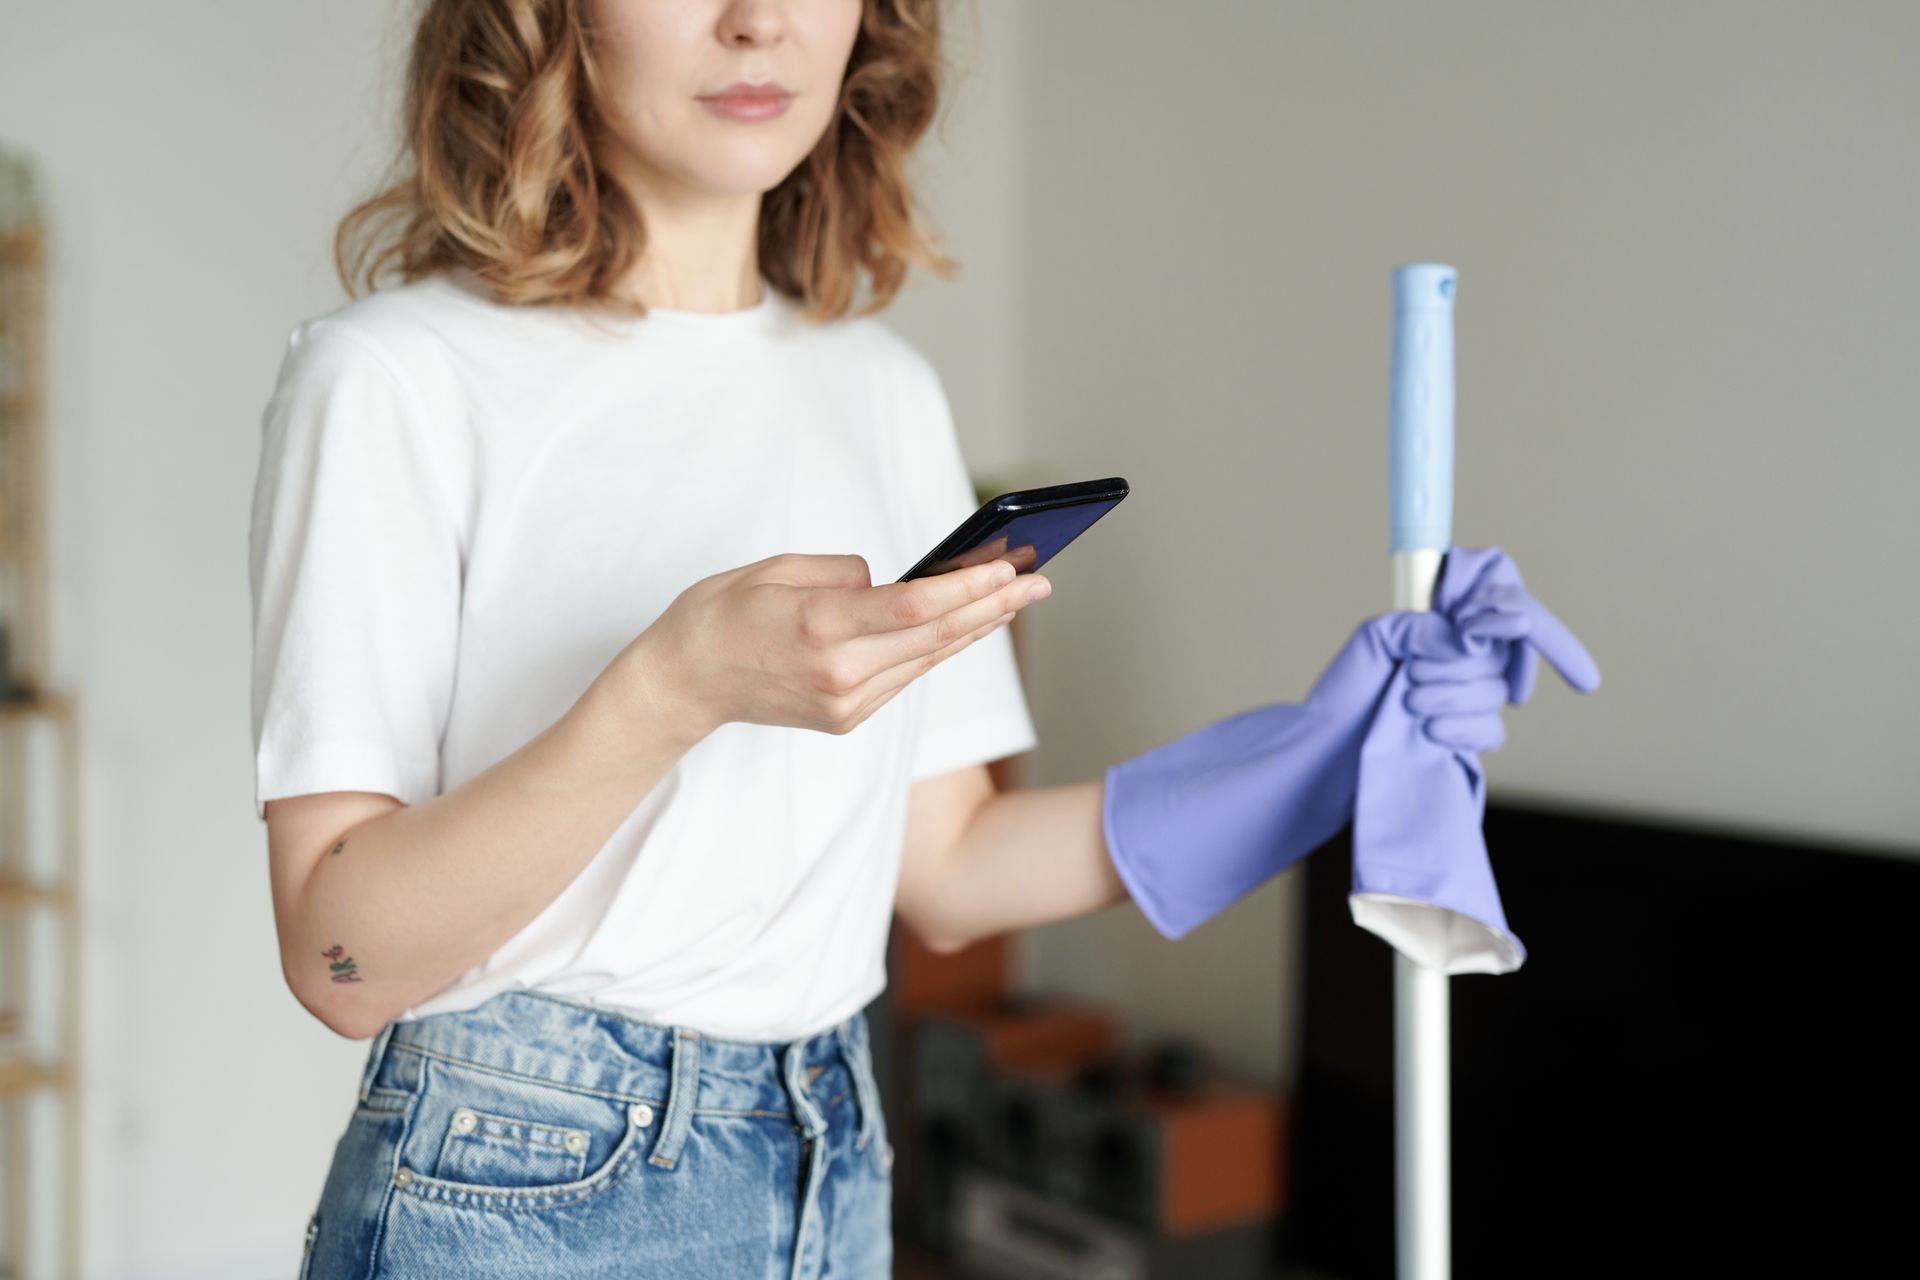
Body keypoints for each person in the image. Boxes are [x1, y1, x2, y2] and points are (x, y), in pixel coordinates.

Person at [254, 2, 1590, 1277]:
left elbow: (952, 866)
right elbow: (340, 959)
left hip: (832, 1147)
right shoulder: (390, 378)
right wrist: (672, 688)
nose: (760, 19)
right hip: (521, 1178)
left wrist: (1320, 755)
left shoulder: (880, 390)